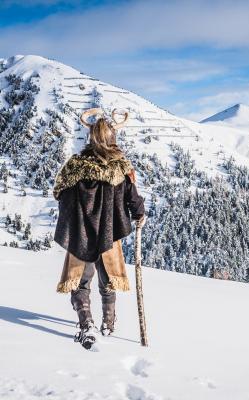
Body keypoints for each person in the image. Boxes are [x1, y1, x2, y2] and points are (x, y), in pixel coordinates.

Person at [53, 108, 145, 347]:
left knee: (80, 282)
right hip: (108, 234)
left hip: (80, 234)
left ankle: (86, 324)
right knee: (109, 281)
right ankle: (108, 323)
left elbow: (60, 192)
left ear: (91, 137)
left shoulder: (75, 166)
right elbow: (132, 197)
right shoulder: (120, 167)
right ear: (111, 137)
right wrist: (139, 214)